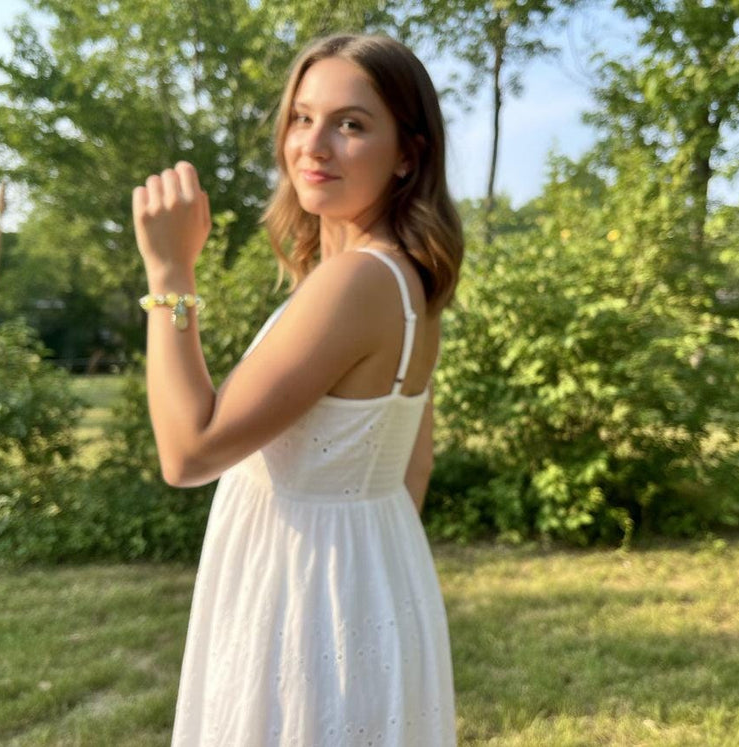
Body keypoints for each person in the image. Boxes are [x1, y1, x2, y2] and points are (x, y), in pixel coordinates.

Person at [132, 33, 463, 746]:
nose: (314, 146)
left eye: (350, 124)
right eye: (302, 118)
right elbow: (413, 466)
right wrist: (364, 576)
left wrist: (169, 277)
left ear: (408, 152)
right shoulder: (407, 280)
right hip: (361, 582)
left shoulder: (358, 280)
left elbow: (188, 453)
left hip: (304, 594)